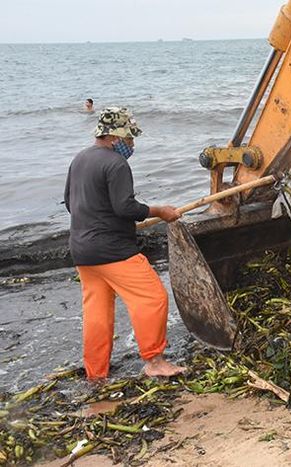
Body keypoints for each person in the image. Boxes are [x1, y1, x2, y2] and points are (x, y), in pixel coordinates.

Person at [64, 107, 186, 380]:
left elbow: (71, 203)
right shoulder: (116, 164)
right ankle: (155, 362)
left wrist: (97, 218)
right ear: (113, 136)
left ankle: (96, 372)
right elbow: (125, 208)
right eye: (129, 139)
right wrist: (159, 211)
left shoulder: (80, 159)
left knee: (97, 310)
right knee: (153, 298)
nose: (132, 145)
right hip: (113, 251)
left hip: (82, 250)